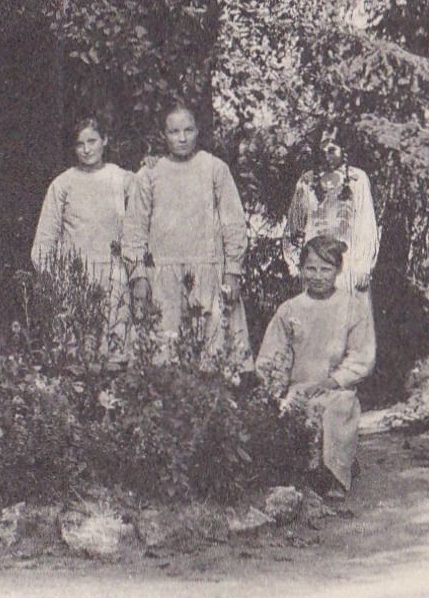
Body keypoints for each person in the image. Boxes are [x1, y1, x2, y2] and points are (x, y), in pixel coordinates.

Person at [122, 103, 251, 362]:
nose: (182, 138)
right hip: (163, 276)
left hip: (207, 274)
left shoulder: (215, 169)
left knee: (212, 356)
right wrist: (138, 275)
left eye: (188, 130)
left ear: (198, 131)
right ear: (163, 135)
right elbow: (135, 229)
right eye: (174, 131)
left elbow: (233, 223)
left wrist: (233, 271)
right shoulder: (149, 173)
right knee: (164, 356)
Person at [255, 236, 376, 501]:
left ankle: (336, 474)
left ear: (338, 270)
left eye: (326, 269)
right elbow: (273, 354)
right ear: (301, 269)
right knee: (289, 414)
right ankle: (300, 477)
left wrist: (332, 382)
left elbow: (361, 356)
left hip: (335, 388)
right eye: (311, 268)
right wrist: (273, 386)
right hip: (299, 387)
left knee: (336, 411)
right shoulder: (290, 310)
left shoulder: (351, 307)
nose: (318, 276)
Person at [31, 116, 133, 355]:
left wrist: (152, 165)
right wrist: (57, 283)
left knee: (113, 352)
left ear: (105, 140)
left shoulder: (122, 179)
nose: (87, 150)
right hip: (75, 280)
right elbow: (45, 240)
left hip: (113, 279)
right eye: (80, 144)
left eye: (92, 141)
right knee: (77, 355)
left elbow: (150, 196)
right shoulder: (63, 184)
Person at [283, 125, 378, 298]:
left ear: (343, 149)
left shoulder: (357, 180)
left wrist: (364, 265)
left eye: (332, 147)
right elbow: (294, 226)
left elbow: (367, 224)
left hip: (347, 267)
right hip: (315, 266)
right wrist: (295, 262)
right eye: (323, 147)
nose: (327, 152)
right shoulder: (307, 182)